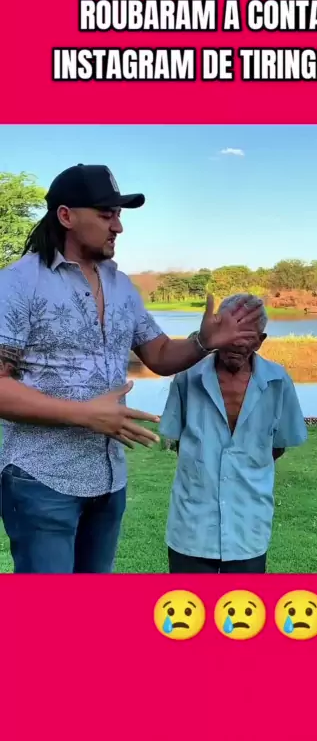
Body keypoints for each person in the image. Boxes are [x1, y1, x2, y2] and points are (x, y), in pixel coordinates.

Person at [0, 164, 262, 574]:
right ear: (66, 215)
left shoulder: (121, 285)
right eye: (107, 215)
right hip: (40, 480)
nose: (118, 227)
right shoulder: (18, 284)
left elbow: (159, 354)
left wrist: (204, 341)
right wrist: (84, 415)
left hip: (109, 483)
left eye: (119, 215)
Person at [159, 293, 308, 573]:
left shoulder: (278, 382)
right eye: (231, 333)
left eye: (247, 336)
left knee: (243, 601)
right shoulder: (188, 376)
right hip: (192, 524)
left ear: (260, 341)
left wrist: (243, 466)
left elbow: (278, 446)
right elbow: (179, 442)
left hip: (248, 524)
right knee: (188, 601)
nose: (237, 343)